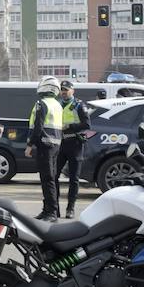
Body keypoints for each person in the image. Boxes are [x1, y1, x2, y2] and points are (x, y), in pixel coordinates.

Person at [25, 76, 63, 221]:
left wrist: (29, 145)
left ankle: (51, 212)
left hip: (45, 145)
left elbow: (38, 127)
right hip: (55, 145)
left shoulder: (42, 103)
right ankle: (47, 210)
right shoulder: (57, 104)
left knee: (47, 180)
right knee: (51, 179)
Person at [54, 81, 93, 219]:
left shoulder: (79, 105)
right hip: (60, 144)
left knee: (73, 179)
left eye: (66, 90)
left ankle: (70, 208)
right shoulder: (57, 104)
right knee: (53, 176)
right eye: (62, 90)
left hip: (75, 144)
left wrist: (70, 126)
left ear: (72, 91)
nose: (63, 92)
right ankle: (55, 208)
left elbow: (87, 124)